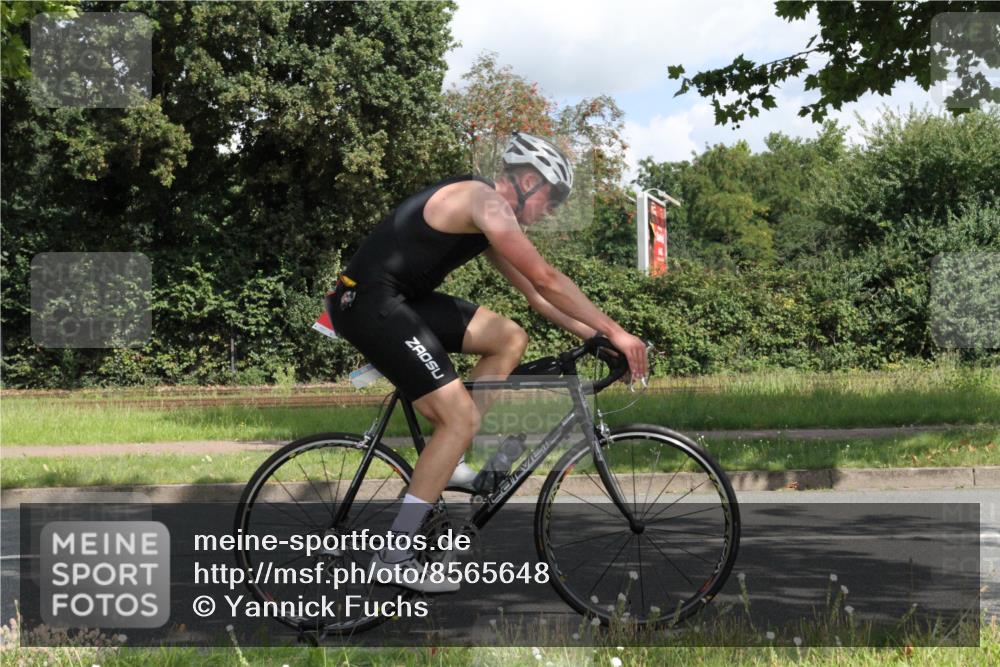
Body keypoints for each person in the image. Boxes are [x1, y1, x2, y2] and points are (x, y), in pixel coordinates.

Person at [325, 132, 648, 592]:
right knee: (457, 419)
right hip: (370, 303)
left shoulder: (486, 216)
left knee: (509, 338)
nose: (548, 214)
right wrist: (618, 330)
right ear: (530, 181)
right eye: (551, 202)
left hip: (398, 301)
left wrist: (597, 337)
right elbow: (547, 277)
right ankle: (394, 553)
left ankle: (453, 454)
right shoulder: (485, 202)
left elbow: (536, 296)